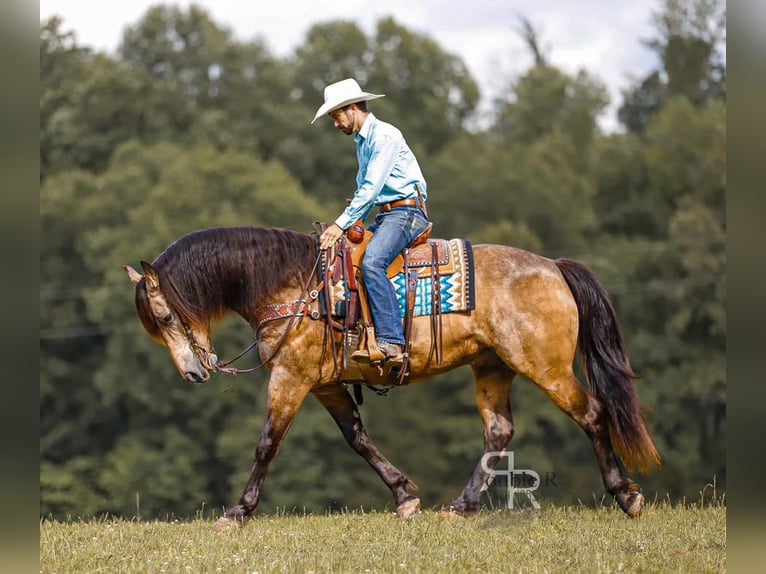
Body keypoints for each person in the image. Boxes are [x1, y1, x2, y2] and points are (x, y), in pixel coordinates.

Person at [313, 78, 429, 367]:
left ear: (352, 109)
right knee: (349, 260)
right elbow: (365, 191)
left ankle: (392, 341)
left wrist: (340, 225)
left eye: (336, 115)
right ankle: (363, 334)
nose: (335, 123)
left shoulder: (384, 136)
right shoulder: (363, 142)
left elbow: (371, 188)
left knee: (373, 262)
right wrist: (356, 224)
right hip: (388, 214)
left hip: (407, 214)